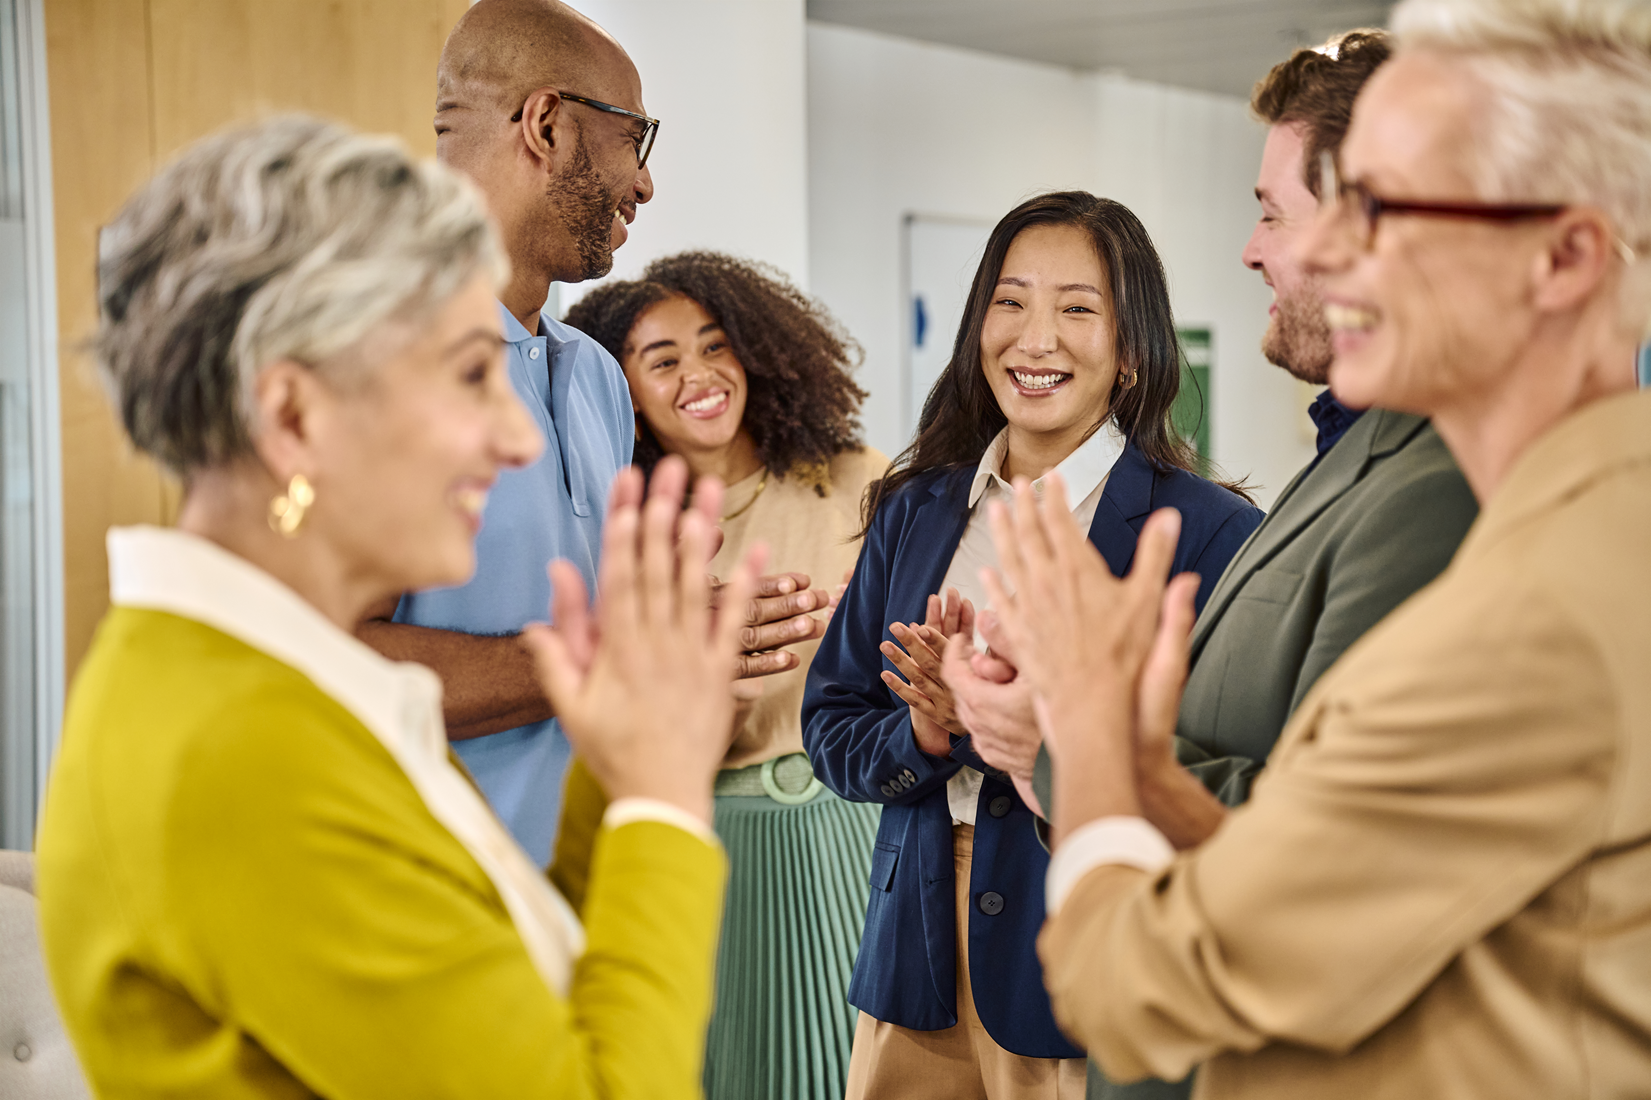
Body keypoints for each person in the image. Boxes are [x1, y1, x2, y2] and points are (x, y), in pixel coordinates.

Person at [992, 1, 1651, 1096]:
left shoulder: (1534, 621)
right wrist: (1151, 769)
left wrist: (1087, 730)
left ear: (1564, 258)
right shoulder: (1569, 525)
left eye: (1383, 208)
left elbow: (1139, 988)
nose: (1325, 251)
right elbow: (1332, 867)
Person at [34, 116, 762, 1098]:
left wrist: (615, 755)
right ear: (294, 416)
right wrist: (663, 799)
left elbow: (508, 991)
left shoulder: (265, 689)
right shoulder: (239, 754)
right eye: (470, 375)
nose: (517, 438)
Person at [1015, 31, 1480, 1100]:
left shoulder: (1444, 480)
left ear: (1377, 228)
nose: (1249, 251)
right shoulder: (1350, 446)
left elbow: (1328, 843)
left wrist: (1074, 736)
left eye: (1273, 211)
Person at [803, 192, 1264, 1100]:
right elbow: (831, 723)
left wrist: (1003, 723)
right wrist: (926, 733)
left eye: (1077, 309)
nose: (1034, 338)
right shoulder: (916, 509)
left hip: (1077, 944)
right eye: (1009, 302)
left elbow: (1209, 765)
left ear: (1130, 352)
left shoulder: (1207, 530)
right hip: (915, 960)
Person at [357, 0, 828, 866]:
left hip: (579, 892)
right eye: (633, 138)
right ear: (544, 123)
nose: (644, 183)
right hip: (428, 910)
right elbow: (331, 663)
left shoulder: (595, 376)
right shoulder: (380, 353)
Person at [567, 251, 887, 1100]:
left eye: (715, 346)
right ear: (622, 392)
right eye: (660, 359)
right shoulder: (627, 535)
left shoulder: (859, 484)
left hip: (853, 832)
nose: (698, 375)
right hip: (716, 840)